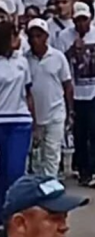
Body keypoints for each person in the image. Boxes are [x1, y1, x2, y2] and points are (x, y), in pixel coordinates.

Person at [57, 2, 95, 188]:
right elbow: (59, 62)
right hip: (77, 92)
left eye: (84, 20)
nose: (81, 24)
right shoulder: (64, 37)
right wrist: (73, 50)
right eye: (78, 20)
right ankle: (84, 171)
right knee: (80, 134)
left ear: (90, 19)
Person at [25, 19, 73, 178]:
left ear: (46, 37)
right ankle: (38, 187)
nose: (35, 40)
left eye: (38, 36)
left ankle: (51, 186)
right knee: (36, 157)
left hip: (55, 113)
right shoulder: (25, 60)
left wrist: (70, 111)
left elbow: (67, 84)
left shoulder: (58, 57)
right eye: (31, 36)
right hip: (33, 116)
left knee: (52, 153)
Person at [0, 21, 34, 209]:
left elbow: (28, 92)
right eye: (15, 35)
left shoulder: (22, 61)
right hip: (1, 120)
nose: (19, 39)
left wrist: (33, 118)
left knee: (15, 171)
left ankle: (13, 210)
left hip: (20, 122)